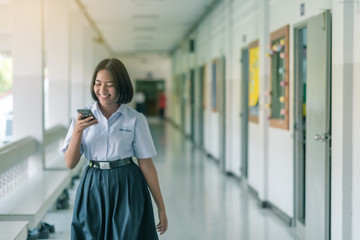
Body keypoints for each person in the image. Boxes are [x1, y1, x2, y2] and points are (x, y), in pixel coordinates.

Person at [62, 58, 168, 240]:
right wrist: (78, 130)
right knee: (89, 234)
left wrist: (161, 206)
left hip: (126, 182)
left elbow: (146, 164)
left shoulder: (135, 119)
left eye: (109, 85)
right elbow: (70, 163)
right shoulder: (82, 117)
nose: (102, 90)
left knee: (126, 234)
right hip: (93, 183)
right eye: (98, 83)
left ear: (121, 86)